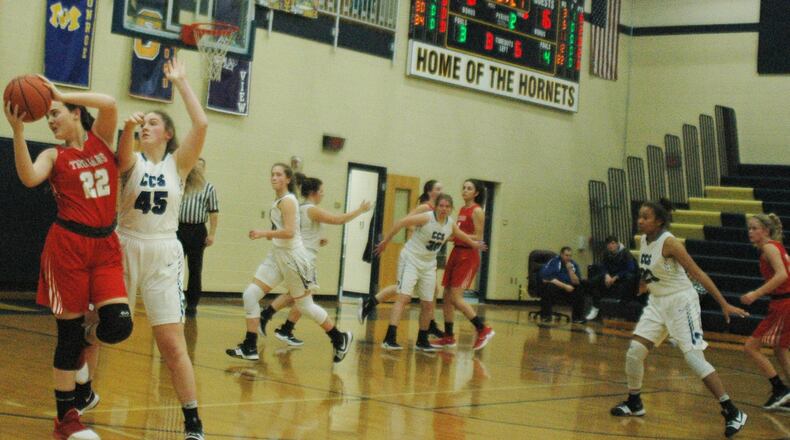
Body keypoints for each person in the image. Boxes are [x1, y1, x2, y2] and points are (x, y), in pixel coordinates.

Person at [5, 81, 133, 440]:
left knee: (119, 325)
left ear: (76, 113)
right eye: (47, 117)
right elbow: (29, 177)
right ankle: (67, 420)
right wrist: (17, 131)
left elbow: (109, 100)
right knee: (66, 337)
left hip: (105, 246)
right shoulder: (53, 155)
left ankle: (83, 349)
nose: (51, 120)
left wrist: (59, 94)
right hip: (67, 248)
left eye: (56, 114)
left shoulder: (101, 141)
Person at [116, 57, 208, 440]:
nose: (146, 127)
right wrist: (126, 129)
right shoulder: (131, 160)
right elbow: (122, 155)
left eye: (154, 123)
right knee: (97, 329)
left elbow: (201, 124)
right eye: (144, 123)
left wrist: (183, 83)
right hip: (123, 245)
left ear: (169, 134)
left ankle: (192, 421)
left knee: (171, 344)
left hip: (163, 253)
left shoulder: (177, 166)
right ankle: (81, 391)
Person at [610, 199, 749, 438]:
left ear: (659, 221)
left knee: (694, 359)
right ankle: (634, 402)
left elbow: (698, 273)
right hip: (658, 302)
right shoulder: (644, 240)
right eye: (639, 216)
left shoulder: (670, 243)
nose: (640, 220)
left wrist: (724, 304)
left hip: (681, 302)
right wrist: (642, 286)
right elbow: (649, 272)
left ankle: (732, 411)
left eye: (646, 217)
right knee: (635, 351)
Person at [225, 163, 353, 363]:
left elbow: (290, 232)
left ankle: (339, 337)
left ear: (287, 179)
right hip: (277, 255)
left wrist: (263, 233)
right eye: (272, 174)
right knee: (250, 295)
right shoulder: (279, 201)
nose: (274, 177)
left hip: (293, 259)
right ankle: (250, 346)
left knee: (305, 306)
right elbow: (284, 231)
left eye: (278, 174)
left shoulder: (288, 201)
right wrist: (271, 235)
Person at [258, 174, 371, 345]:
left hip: (298, 256)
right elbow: (338, 220)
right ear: (314, 192)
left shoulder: (299, 207)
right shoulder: (311, 209)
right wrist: (360, 210)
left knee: (296, 296)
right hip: (303, 259)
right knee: (304, 298)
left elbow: (299, 232)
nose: (323, 194)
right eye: (322, 191)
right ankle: (333, 337)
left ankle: (280, 325)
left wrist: (318, 239)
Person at [371, 194, 485, 351]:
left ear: (451, 209)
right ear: (436, 207)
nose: (444, 209)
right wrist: (386, 241)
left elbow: (460, 235)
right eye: (441, 206)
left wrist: (474, 243)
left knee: (428, 303)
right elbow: (401, 222)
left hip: (428, 264)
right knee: (403, 298)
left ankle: (422, 340)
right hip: (411, 259)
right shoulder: (426, 218)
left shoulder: (450, 223)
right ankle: (389, 338)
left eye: (447, 206)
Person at [358, 179, 446, 339]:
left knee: (431, 290)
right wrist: (418, 229)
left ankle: (430, 324)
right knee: (403, 290)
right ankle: (371, 304)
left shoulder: (439, 211)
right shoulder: (425, 207)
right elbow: (406, 221)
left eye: (442, 189)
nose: (441, 191)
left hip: (425, 256)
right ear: (429, 192)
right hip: (414, 253)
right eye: (437, 189)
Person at [433, 179, 495, 350]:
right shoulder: (461, 209)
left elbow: (479, 237)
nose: (465, 190)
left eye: (469, 188)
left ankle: (483, 329)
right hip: (456, 252)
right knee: (446, 295)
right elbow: (458, 232)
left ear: (476, 193)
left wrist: (459, 236)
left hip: (468, 256)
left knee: (455, 297)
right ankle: (448, 336)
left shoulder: (476, 211)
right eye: (464, 187)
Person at [740, 214, 790, 410]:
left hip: (783, 305)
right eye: (749, 228)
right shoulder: (776, 247)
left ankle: (779, 389)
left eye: (754, 228)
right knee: (780, 348)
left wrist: (755, 294)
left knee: (751, 347)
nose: (750, 232)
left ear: (766, 231)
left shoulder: (769, 248)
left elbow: (782, 275)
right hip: (784, 303)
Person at [177, 158, 219, 317]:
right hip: (179, 229)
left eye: (200, 168)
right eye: (195, 168)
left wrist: (212, 233)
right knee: (175, 268)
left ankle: (192, 305)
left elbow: (214, 213)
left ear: (204, 169)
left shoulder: (209, 188)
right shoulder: (181, 183)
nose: (197, 171)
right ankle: (175, 300)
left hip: (197, 230)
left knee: (195, 269)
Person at [585, 235, 638, 321]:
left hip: (622, 276)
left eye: (613, 243)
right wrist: (606, 275)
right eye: (609, 244)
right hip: (610, 276)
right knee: (594, 281)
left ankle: (622, 308)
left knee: (629, 278)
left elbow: (631, 269)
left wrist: (617, 277)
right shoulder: (606, 253)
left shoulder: (626, 253)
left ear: (617, 244)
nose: (611, 246)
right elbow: (603, 266)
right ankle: (595, 308)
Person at [539, 246, 586, 323]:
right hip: (557, 287)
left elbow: (577, 282)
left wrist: (570, 270)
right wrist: (564, 286)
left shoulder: (573, 264)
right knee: (548, 287)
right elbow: (546, 278)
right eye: (566, 255)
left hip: (568, 288)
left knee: (580, 288)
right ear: (561, 255)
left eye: (570, 256)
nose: (568, 257)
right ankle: (546, 316)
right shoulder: (554, 262)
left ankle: (577, 318)